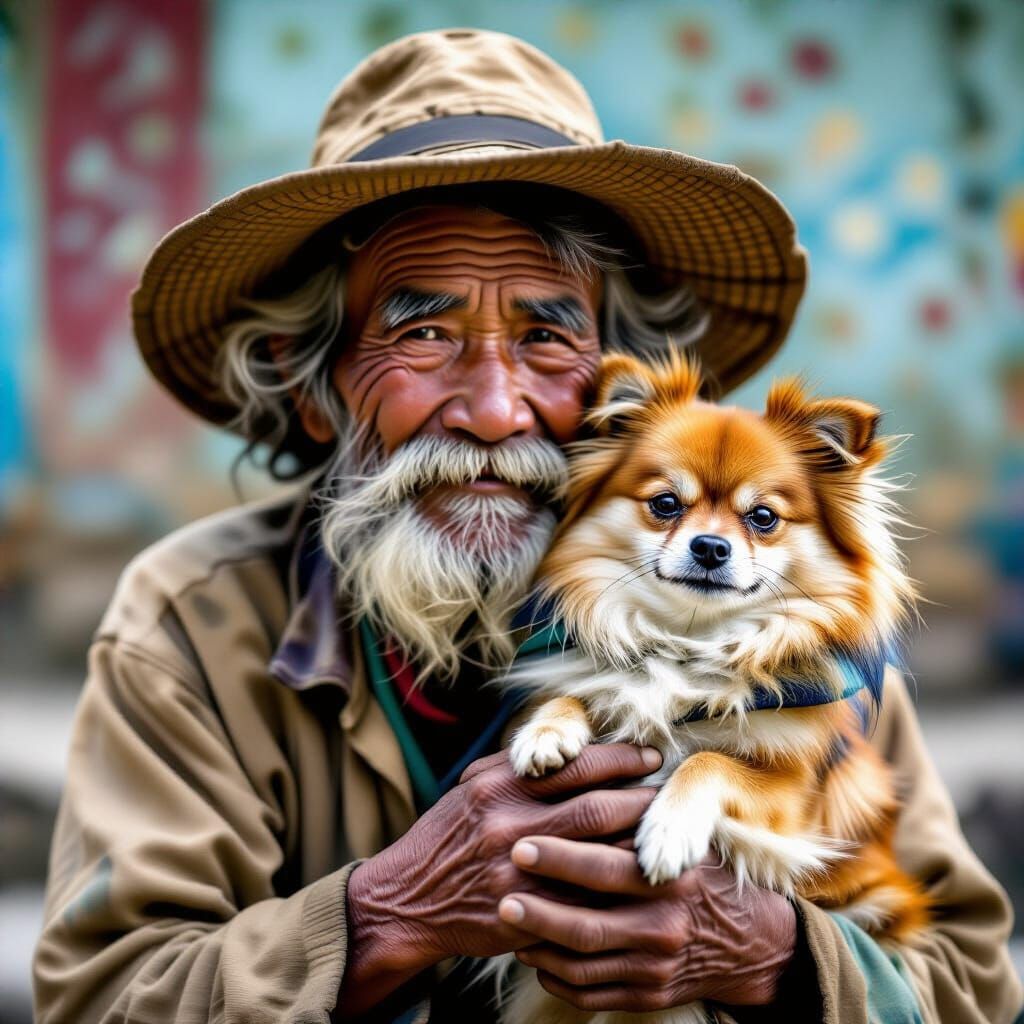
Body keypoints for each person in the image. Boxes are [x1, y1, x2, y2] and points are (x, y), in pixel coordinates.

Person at [32, 28, 1022, 1024]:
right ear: (314, 389)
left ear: (615, 393)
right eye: (422, 333)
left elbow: (973, 984)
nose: (495, 410)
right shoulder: (193, 627)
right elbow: (106, 996)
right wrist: (389, 915)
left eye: (547, 336)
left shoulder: (782, 624)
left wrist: (768, 957)